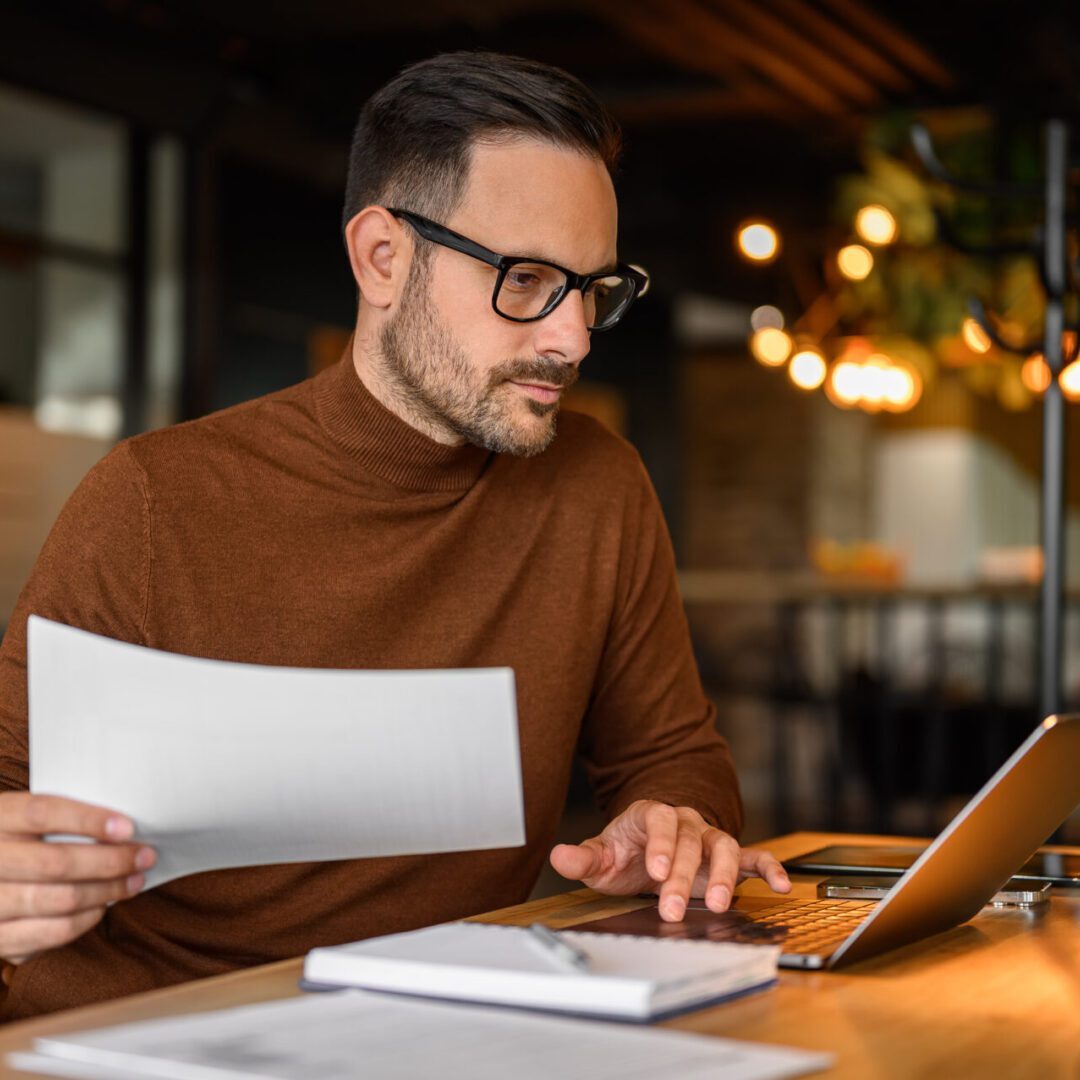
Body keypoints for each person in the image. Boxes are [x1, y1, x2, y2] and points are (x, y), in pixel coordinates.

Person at [0, 51, 789, 1019]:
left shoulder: (596, 485)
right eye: (529, 278)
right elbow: (8, 793)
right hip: (151, 1032)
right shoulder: (156, 497)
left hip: (442, 1022)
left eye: (593, 289)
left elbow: (673, 755)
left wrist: (671, 821)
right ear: (382, 257)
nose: (573, 337)